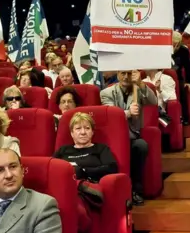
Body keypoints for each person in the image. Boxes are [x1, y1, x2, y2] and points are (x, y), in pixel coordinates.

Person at [100, 70, 157, 205]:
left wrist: (141, 84)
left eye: (129, 74)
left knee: (141, 146)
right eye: (123, 73)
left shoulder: (139, 89)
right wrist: (128, 113)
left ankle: (136, 190)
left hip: (132, 138)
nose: (126, 77)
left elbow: (153, 102)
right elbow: (111, 115)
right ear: (118, 74)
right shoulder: (106, 93)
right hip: (113, 139)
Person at [53, 112, 118, 182]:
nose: (83, 132)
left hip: (90, 186)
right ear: (72, 133)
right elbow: (52, 168)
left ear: (92, 132)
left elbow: (112, 168)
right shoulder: (63, 150)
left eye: (87, 128)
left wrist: (84, 171)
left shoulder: (101, 149)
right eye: (78, 128)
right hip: (64, 184)